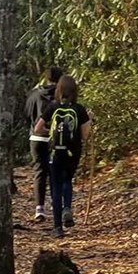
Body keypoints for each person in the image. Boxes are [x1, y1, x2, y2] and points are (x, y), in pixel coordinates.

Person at [33, 74, 91, 238]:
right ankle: (67, 208)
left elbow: (38, 129)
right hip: (73, 151)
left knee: (55, 185)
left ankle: (57, 227)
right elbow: (85, 135)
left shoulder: (53, 106)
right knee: (67, 180)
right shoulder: (79, 109)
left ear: (58, 90)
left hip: (55, 151)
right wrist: (89, 122)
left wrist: (50, 133)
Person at [25, 66, 63, 221]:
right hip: (56, 138)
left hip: (36, 138)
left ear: (46, 78)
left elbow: (27, 114)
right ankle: (56, 204)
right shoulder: (61, 96)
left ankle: (39, 209)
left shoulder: (34, 95)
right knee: (56, 171)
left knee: (40, 172)